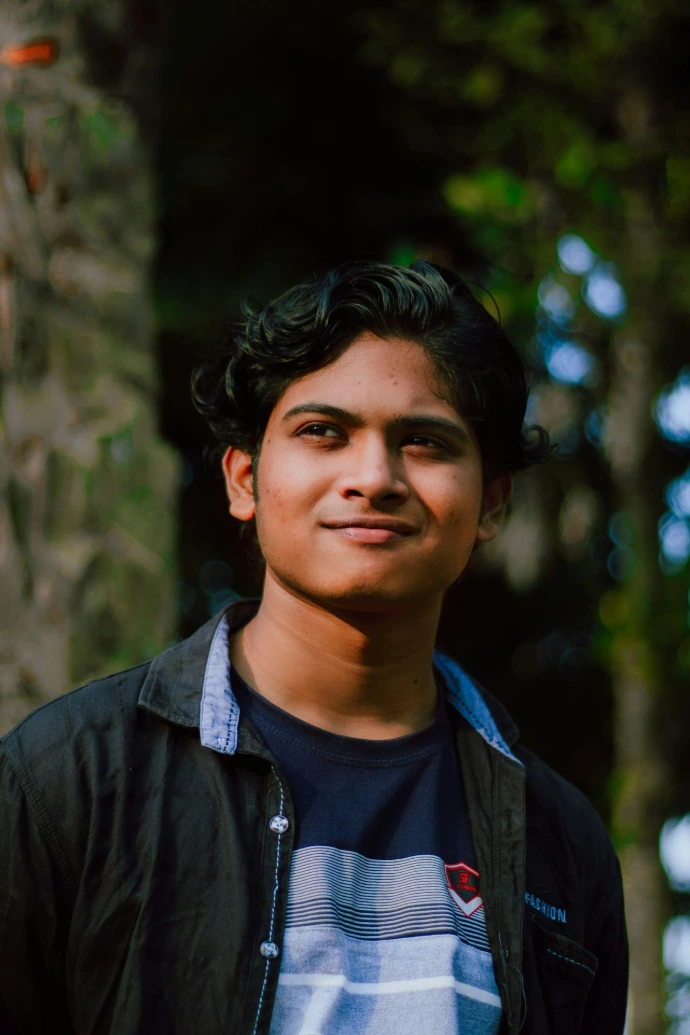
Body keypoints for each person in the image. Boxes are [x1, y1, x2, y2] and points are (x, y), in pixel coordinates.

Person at [0, 261, 628, 1035]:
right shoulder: (66, 777)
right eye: (323, 432)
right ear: (244, 479)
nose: (374, 477)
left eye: (424, 441)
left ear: (490, 502)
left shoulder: (561, 840)